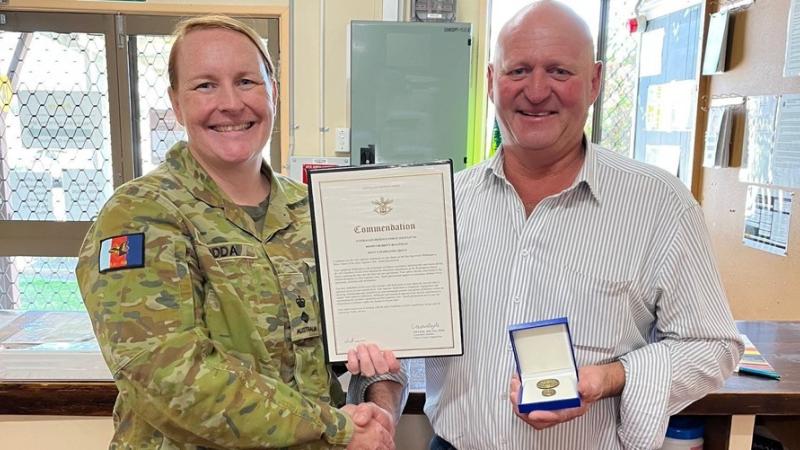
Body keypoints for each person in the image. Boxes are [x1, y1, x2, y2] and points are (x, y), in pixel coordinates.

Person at [423, 2, 743, 449]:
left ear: (594, 81)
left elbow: (713, 346)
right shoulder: (443, 205)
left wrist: (611, 378)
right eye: (518, 71)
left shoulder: (659, 204)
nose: (536, 92)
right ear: (492, 82)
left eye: (558, 72)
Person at [76, 15, 405, 450]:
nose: (231, 103)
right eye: (205, 85)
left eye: (247, 81)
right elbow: (169, 378)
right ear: (176, 104)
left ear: (274, 92)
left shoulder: (315, 211)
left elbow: (367, 340)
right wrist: (338, 428)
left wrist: (378, 403)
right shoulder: (140, 215)